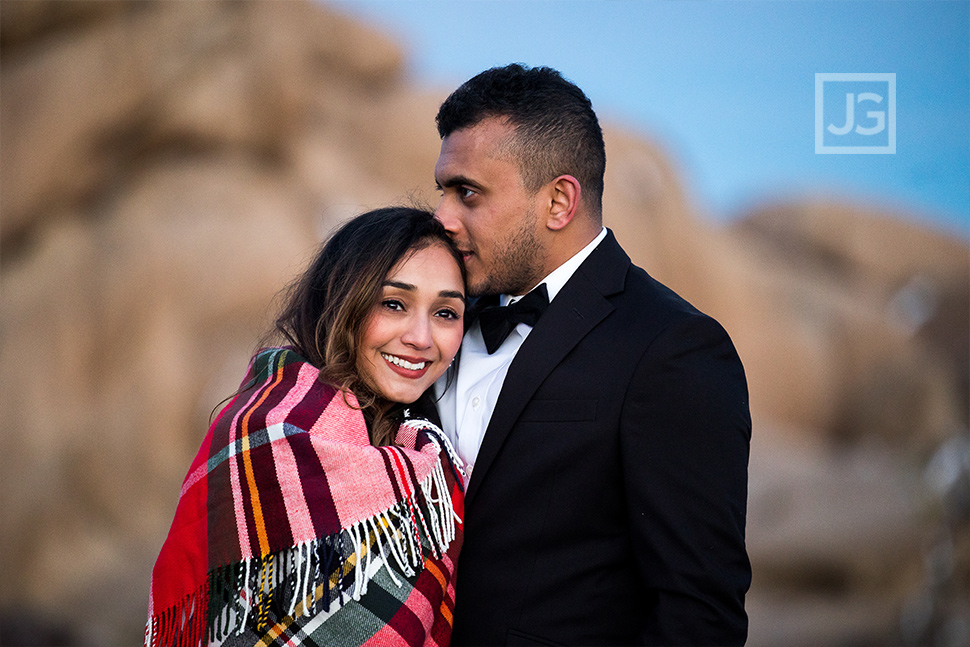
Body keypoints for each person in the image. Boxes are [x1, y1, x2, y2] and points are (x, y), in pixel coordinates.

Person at [432, 64, 751, 645]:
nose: (443, 218)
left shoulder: (672, 349)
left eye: (468, 194)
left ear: (559, 201)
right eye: (444, 191)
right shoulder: (435, 328)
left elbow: (699, 613)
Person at [145, 207, 468, 647]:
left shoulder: (430, 462)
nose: (421, 337)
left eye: (446, 313)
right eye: (393, 304)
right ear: (341, 300)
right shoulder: (269, 431)